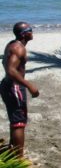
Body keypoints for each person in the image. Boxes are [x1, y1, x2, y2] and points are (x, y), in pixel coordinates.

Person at [0, 22, 39, 157]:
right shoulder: (19, 48)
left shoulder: (12, 44)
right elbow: (10, 69)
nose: (32, 32)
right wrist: (29, 85)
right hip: (14, 87)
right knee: (19, 123)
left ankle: (13, 149)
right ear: (24, 34)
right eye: (30, 30)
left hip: (7, 85)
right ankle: (18, 159)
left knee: (15, 120)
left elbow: (5, 62)